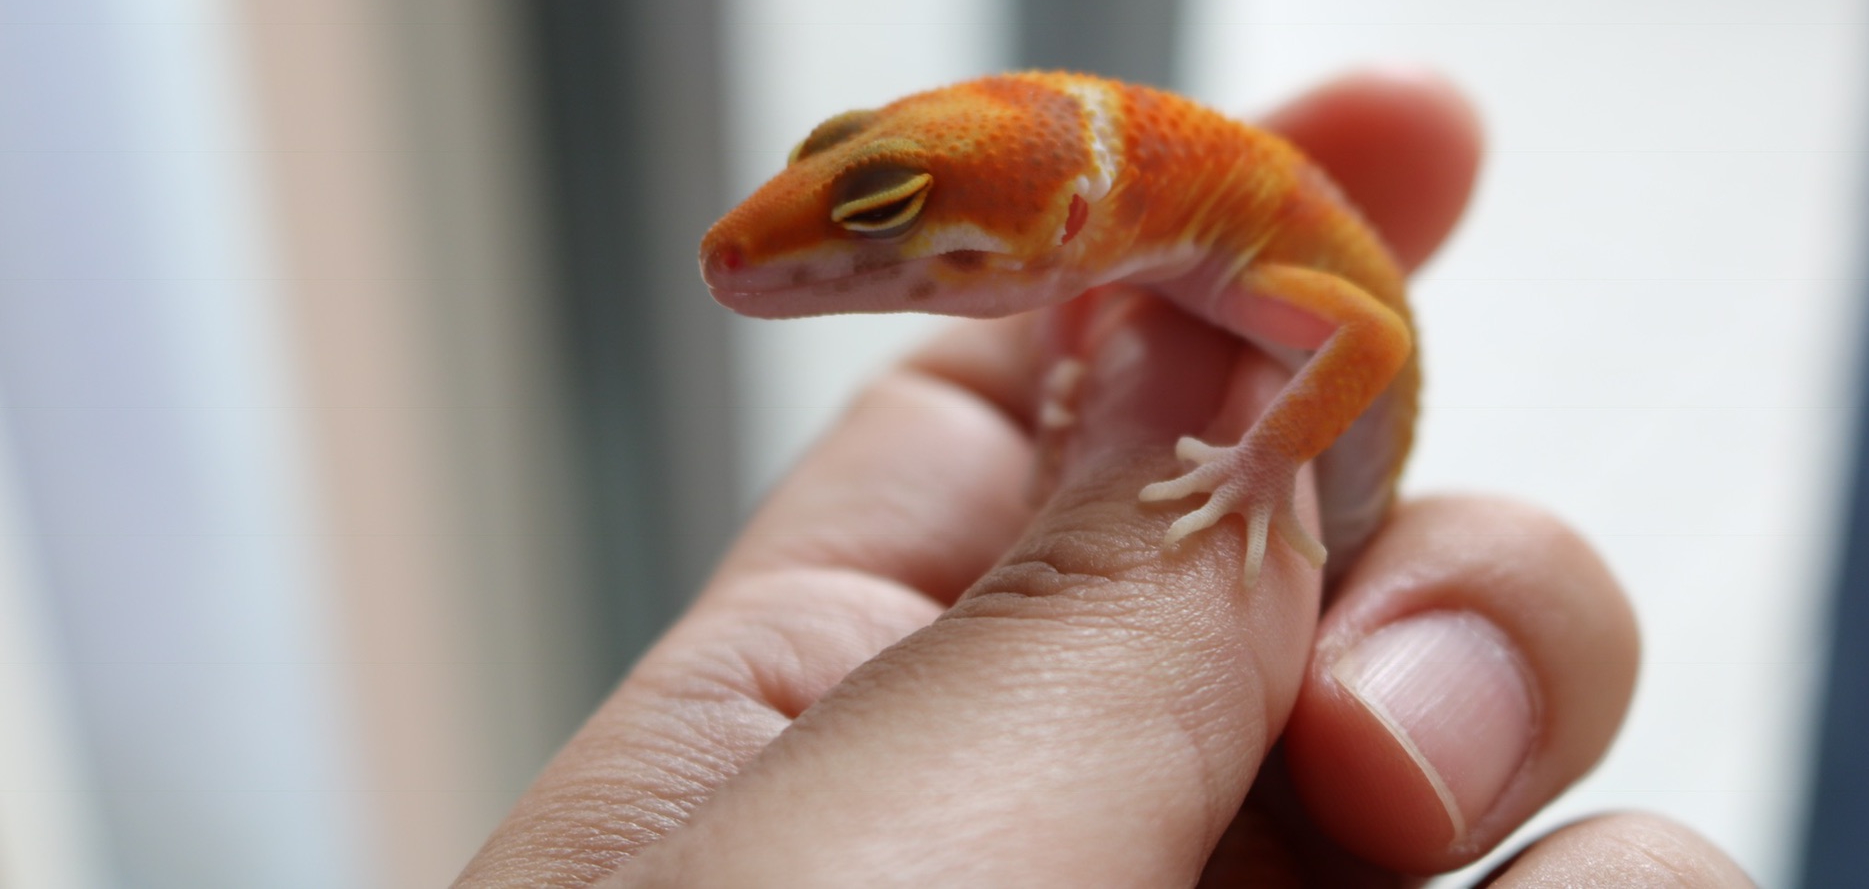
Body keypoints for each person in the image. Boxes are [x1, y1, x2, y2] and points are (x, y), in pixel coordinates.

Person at [456, 71, 1752, 887]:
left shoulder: (1240, 262)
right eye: (857, 172)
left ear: (1072, 223)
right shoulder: (1128, 249)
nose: (763, 242)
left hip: (1324, 552)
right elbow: (1086, 302)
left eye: (887, 204)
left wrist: (1263, 463)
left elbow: (1376, 336)